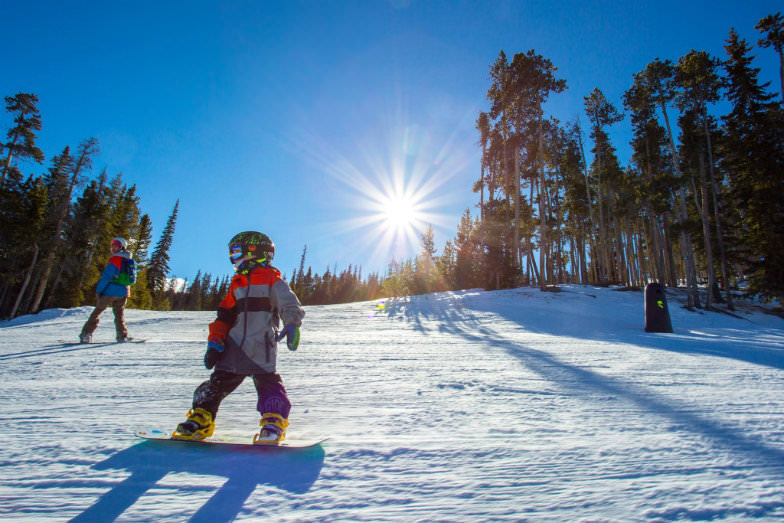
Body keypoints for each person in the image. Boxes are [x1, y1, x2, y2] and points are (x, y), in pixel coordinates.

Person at [174, 231, 305, 445]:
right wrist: (215, 342)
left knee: (268, 385)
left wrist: (292, 324)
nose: (233, 258)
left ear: (254, 252)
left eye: (236, 252)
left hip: (260, 347)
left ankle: (273, 422)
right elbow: (223, 317)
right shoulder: (237, 284)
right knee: (215, 385)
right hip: (233, 348)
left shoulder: (273, 281)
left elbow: (290, 304)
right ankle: (201, 418)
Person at [79, 237, 135, 343]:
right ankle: (122, 336)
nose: (113, 247)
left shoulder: (115, 259)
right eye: (113, 244)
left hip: (110, 291)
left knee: (97, 312)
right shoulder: (128, 261)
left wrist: (99, 291)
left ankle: (86, 334)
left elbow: (106, 277)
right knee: (119, 315)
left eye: (116, 245)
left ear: (121, 247)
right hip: (123, 292)